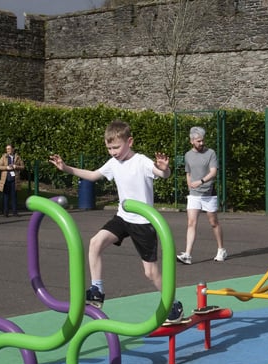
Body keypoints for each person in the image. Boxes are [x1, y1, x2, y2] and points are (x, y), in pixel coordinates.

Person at [49, 119, 184, 323]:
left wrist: (165, 168)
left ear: (129, 141)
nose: (113, 152)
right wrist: (66, 168)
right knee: (95, 243)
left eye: (116, 147)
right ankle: (97, 291)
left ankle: (173, 305)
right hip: (122, 217)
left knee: (150, 272)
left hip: (143, 222)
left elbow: (162, 174)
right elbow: (93, 176)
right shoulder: (113, 163)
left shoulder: (141, 161)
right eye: (109, 148)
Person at [176, 126, 227, 265]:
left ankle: (221, 249)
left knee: (213, 223)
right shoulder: (188, 155)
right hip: (194, 195)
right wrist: (189, 185)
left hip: (209, 194)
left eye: (202, 140)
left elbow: (213, 172)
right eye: (198, 141)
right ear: (192, 141)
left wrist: (201, 181)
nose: (201, 143)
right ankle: (187, 254)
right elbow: (188, 173)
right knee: (191, 223)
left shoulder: (211, 153)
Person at [0, 144, 25, 217]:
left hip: (14, 179)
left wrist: (16, 166)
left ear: (13, 149)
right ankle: (5, 212)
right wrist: (6, 167)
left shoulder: (17, 157)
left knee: (14, 196)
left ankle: (14, 212)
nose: (8, 150)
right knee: (6, 196)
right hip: (6, 179)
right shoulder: (4, 157)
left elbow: (23, 166)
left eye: (9, 149)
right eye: (7, 149)